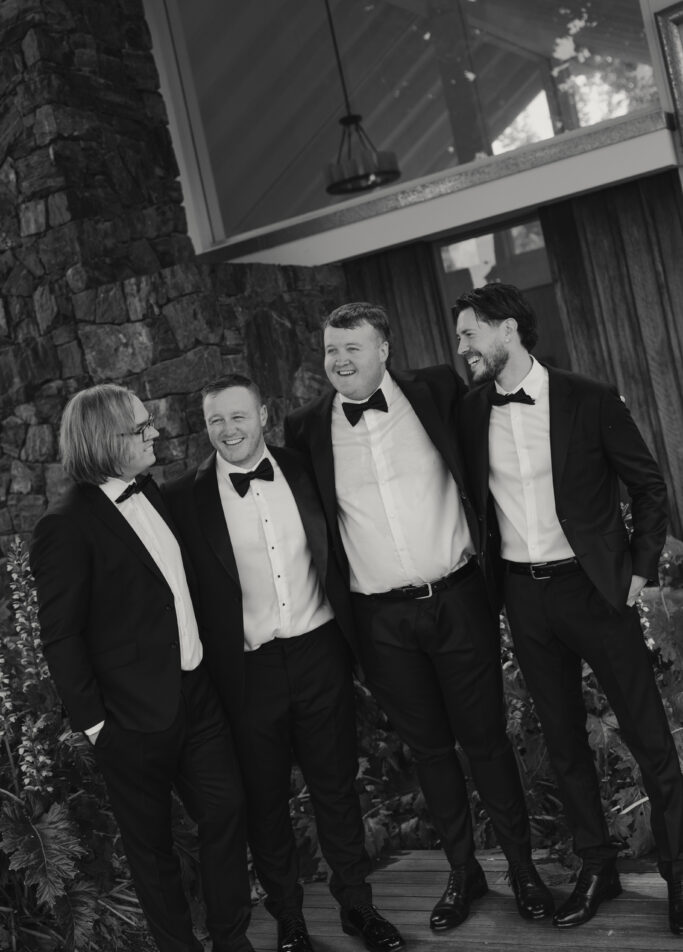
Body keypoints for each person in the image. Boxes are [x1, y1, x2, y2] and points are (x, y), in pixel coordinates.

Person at [284, 301, 553, 931]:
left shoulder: (436, 390)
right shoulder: (305, 428)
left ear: (384, 349)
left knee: (486, 741)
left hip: (458, 600)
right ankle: (464, 872)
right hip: (380, 622)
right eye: (331, 350)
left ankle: (523, 868)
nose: (339, 360)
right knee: (430, 752)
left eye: (352, 348)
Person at [453, 282, 683, 934]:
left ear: (506, 329)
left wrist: (637, 571)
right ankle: (597, 869)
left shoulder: (588, 397)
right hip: (523, 598)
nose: (462, 348)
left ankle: (679, 874)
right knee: (562, 743)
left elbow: (647, 485)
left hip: (595, 590)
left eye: (470, 333)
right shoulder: (469, 411)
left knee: (648, 739)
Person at [162, 375, 404, 952]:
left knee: (336, 789)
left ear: (264, 415)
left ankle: (358, 907)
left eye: (238, 416)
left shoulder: (304, 468)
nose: (228, 430)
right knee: (265, 803)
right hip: (247, 672)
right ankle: (289, 920)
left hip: (320, 652)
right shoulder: (182, 498)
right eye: (216, 420)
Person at [30, 384, 252, 952]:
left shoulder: (150, 490)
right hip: (129, 720)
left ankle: (232, 941)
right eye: (141, 428)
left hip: (196, 694)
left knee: (226, 811)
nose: (155, 432)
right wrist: (97, 726)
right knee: (151, 851)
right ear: (107, 440)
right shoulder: (65, 525)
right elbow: (60, 636)